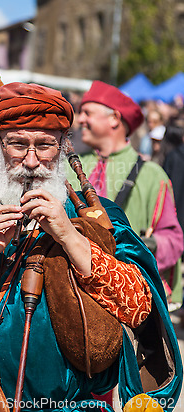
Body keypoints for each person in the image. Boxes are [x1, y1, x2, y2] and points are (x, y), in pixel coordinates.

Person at [0, 82, 182, 412]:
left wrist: (69, 236)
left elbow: (139, 307)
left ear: (63, 147)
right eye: (18, 145)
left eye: (46, 146)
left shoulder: (100, 215)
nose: (32, 160)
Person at [69, 80, 183, 312]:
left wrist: (143, 245)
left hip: (126, 298)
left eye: (87, 112)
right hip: (73, 294)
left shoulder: (152, 174)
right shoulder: (67, 167)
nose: (80, 119)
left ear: (114, 119)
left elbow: (174, 241)